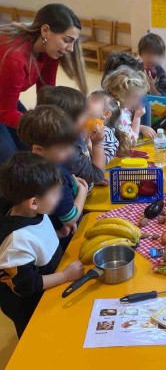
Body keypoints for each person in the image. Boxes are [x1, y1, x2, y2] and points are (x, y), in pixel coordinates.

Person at [0, 152, 84, 337]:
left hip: (48, 289)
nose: (59, 198)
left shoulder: (33, 212)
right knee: (36, 337)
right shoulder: (16, 242)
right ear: (33, 203)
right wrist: (65, 276)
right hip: (29, 305)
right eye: (55, 194)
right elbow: (27, 285)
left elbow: (37, 238)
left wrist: (58, 234)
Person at [0, 3, 87, 164]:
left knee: (30, 145)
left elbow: (47, 97)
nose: (71, 49)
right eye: (67, 40)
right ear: (45, 31)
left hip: (3, 99)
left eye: (74, 42)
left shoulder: (49, 52)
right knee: (10, 159)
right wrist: (48, 128)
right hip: (3, 107)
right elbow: (5, 112)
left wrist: (60, 124)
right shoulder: (15, 58)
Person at [17, 105, 88, 237]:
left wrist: (71, 182)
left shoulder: (46, 162)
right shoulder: (54, 178)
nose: (70, 151)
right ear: (38, 150)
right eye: (63, 148)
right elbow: (70, 219)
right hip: (65, 234)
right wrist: (82, 191)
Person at [37, 86, 105, 187]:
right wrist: (97, 144)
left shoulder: (73, 136)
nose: (88, 118)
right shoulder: (67, 149)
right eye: (84, 115)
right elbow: (97, 175)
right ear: (68, 121)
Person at [102, 66, 155, 143]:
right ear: (122, 96)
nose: (139, 101)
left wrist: (142, 128)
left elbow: (125, 128)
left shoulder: (118, 107)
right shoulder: (119, 114)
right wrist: (137, 117)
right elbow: (131, 141)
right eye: (136, 97)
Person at [87, 90, 131, 163]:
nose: (86, 102)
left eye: (94, 101)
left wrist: (89, 144)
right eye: (87, 99)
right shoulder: (79, 125)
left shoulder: (106, 133)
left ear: (105, 114)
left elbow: (104, 161)